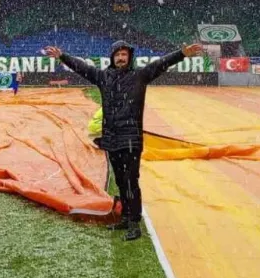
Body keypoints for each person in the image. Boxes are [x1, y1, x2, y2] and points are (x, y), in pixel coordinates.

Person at [45, 41, 203, 241]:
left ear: (129, 57)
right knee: (121, 181)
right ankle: (126, 217)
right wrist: (62, 56)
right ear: (112, 57)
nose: (120, 57)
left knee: (130, 181)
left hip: (130, 139)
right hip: (111, 139)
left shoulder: (139, 76)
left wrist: (181, 53)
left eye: (124, 54)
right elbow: (83, 68)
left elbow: (161, 64)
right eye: (117, 54)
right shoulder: (103, 77)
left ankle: (134, 223)